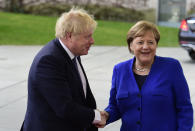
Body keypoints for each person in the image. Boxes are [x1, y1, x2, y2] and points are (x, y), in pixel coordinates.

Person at [97, 21, 193, 130]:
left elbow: (184, 108)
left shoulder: (171, 67)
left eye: (151, 42)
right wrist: (106, 115)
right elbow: (115, 107)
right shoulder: (119, 70)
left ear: (156, 45)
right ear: (131, 45)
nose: (146, 47)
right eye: (140, 42)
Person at [20, 7, 105, 131]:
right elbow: (64, 107)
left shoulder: (72, 52)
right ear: (69, 36)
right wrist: (96, 116)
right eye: (87, 37)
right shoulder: (49, 61)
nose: (92, 41)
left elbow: (82, 96)